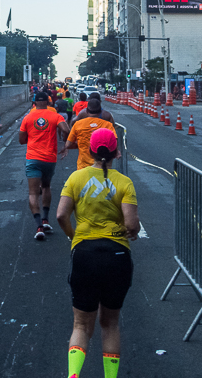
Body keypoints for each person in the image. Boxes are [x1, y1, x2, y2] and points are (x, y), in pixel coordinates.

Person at [56, 128, 138, 378]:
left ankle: (73, 375)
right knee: (110, 323)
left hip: (85, 253)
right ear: (116, 152)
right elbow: (132, 225)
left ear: (90, 151)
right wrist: (127, 231)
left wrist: (74, 236)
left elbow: (60, 215)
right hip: (117, 255)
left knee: (81, 324)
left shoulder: (76, 178)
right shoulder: (124, 182)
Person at [18, 91, 70, 240]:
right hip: (49, 158)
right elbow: (66, 130)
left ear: (34, 103)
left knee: (33, 193)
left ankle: (38, 225)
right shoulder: (55, 116)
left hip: (33, 158)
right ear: (48, 102)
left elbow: (22, 140)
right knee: (46, 187)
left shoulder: (27, 118)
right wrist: (65, 145)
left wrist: (33, 135)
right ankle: (46, 219)